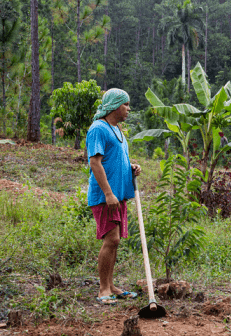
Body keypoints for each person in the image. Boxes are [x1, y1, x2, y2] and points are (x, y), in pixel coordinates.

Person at [86, 88, 140, 305]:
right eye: (125, 104)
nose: (128, 109)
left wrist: (131, 167)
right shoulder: (98, 129)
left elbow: (117, 160)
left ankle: (111, 286)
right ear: (115, 105)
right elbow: (95, 163)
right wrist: (108, 194)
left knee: (115, 241)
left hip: (119, 195)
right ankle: (103, 289)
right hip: (105, 195)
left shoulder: (117, 131)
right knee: (112, 239)